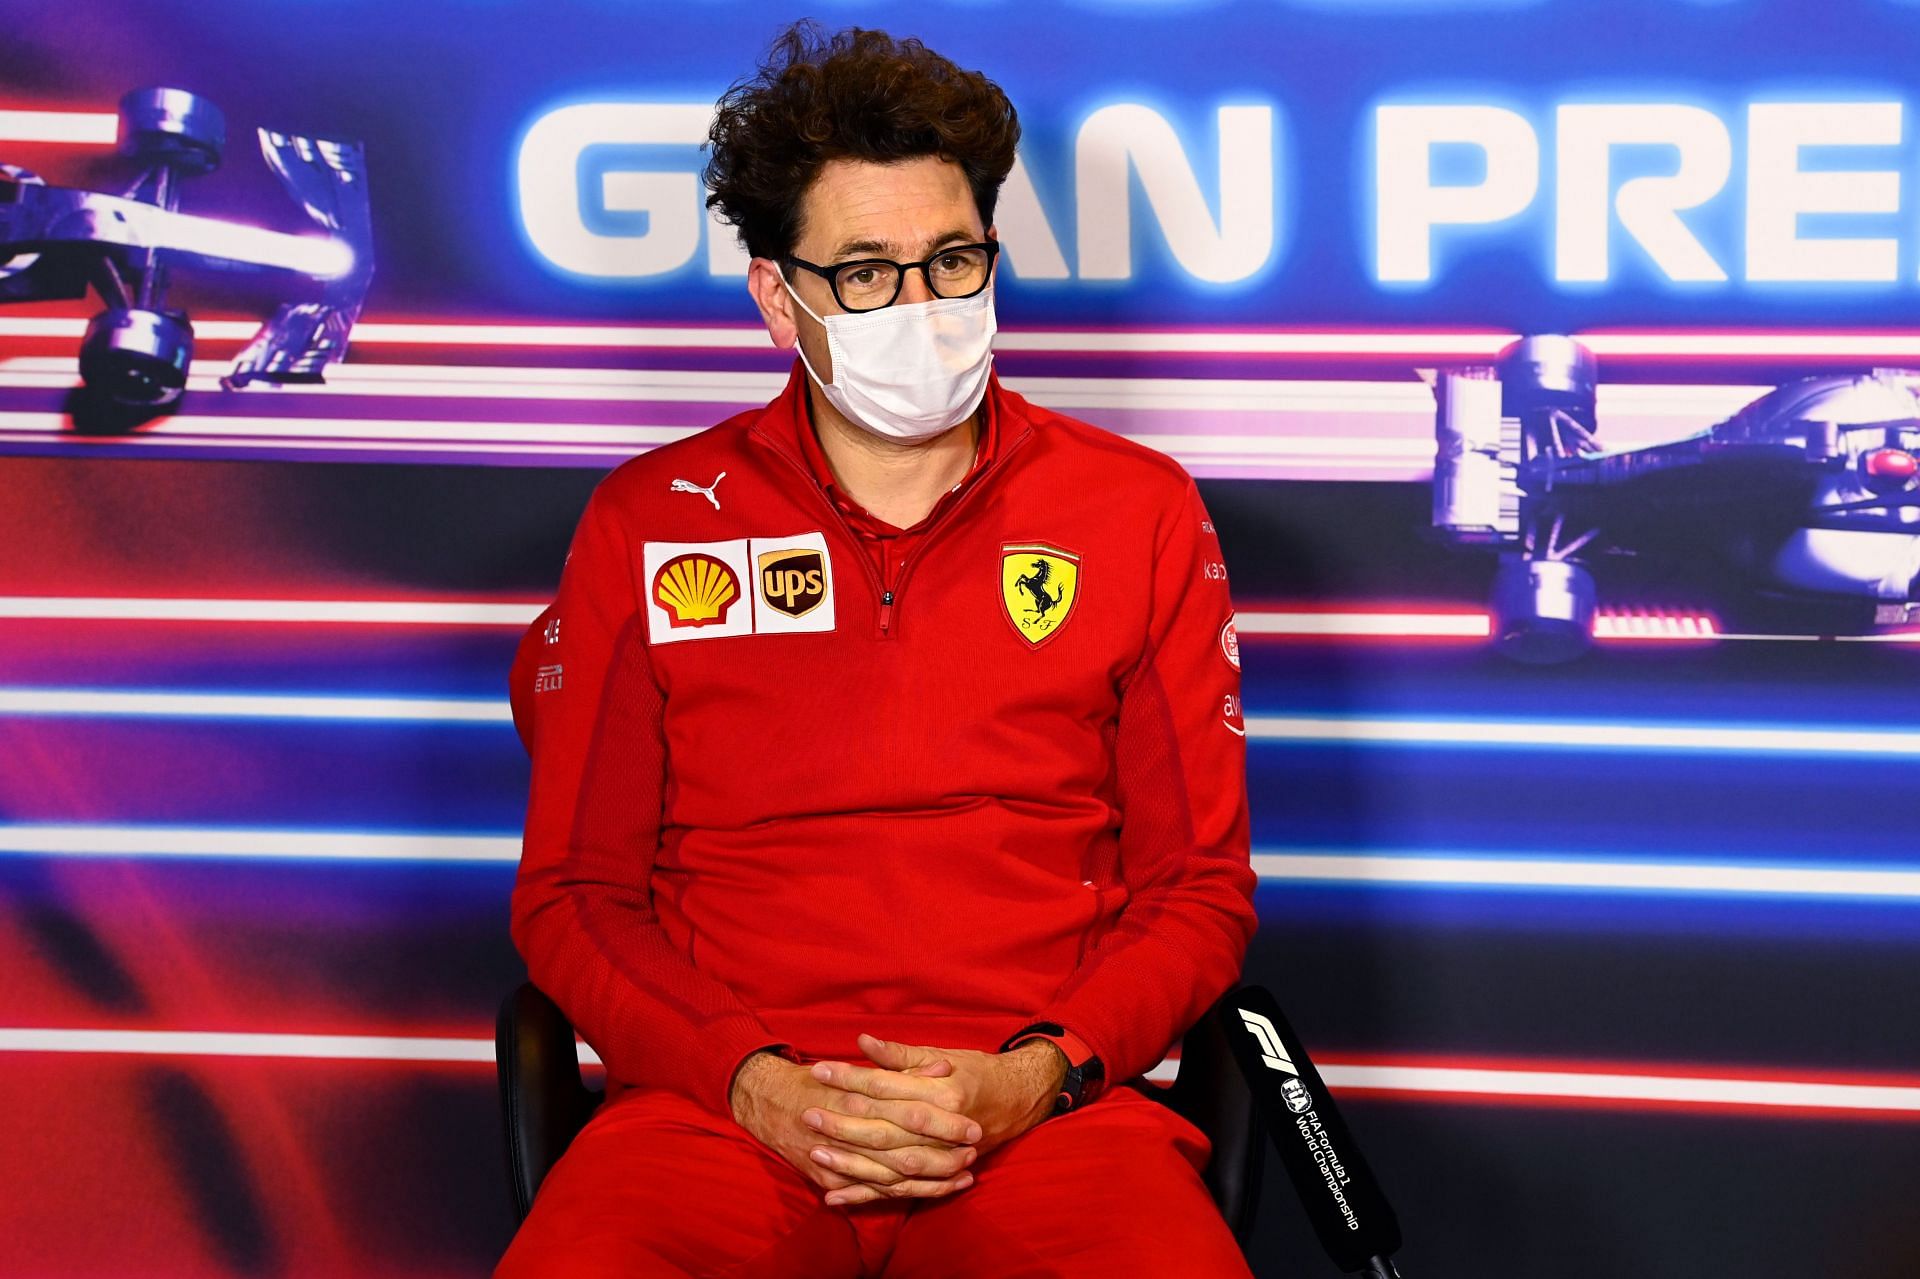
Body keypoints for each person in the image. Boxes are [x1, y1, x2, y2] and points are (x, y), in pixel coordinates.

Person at [495, 21, 1257, 1278]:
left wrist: (1033, 1076)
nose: (922, 305)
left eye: (953, 260)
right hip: (719, 1118)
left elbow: (1199, 891)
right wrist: (751, 1082)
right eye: (865, 272)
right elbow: (574, 897)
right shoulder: (648, 519)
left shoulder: (1140, 509)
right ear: (777, 297)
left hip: (1037, 1118)